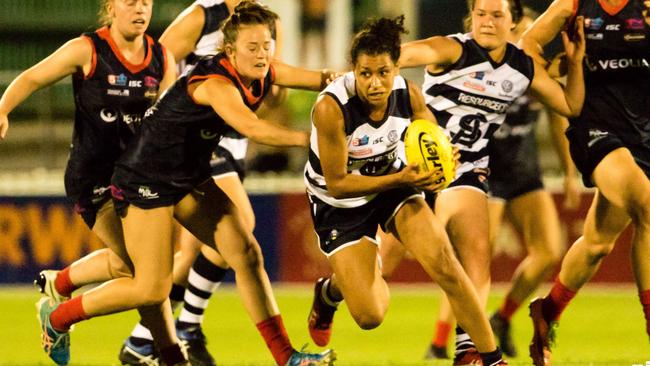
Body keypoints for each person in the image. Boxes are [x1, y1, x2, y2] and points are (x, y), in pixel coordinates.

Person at [38, 2, 338, 366]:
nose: (262, 54)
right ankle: (58, 320)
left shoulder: (261, 70)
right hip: (145, 179)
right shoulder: (215, 84)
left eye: (267, 45)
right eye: (252, 47)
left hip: (187, 176)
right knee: (150, 287)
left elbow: (312, 76)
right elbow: (253, 128)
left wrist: (347, 81)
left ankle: (287, 358)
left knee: (245, 252)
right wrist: (311, 139)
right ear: (230, 50)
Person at [368, 0, 586, 363]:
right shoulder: (451, 48)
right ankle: (330, 294)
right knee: (377, 277)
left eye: (497, 15)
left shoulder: (521, 68)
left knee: (476, 257)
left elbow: (569, 105)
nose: (487, 22)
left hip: (466, 170)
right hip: (413, 168)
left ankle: (466, 350)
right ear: (471, 17)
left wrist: (575, 62)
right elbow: (395, 59)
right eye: (481, 14)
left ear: (513, 22)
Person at [304, 15, 508, 366]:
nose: (375, 83)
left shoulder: (407, 93)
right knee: (371, 315)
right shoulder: (330, 108)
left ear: (396, 68)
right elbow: (337, 184)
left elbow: (428, 126)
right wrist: (402, 179)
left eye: (383, 72)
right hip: (340, 202)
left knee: (446, 263)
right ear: (353, 70)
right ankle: (329, 292)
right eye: (365, 73)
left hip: (394, 183)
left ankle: (491, 358)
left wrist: (443, 151)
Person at [0, 1, 184, 365]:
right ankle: (58, 318)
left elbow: (171, 122)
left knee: (140, 272)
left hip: (138, 179)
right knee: (147, 276)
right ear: (111, 7)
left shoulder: (163, 58)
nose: (139, 9)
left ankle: (63, 285)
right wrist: (3, 108)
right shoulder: (88, 49)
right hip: (94, 180)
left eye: (145, 2)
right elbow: (32, 78)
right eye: (130, 2)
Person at [119, 1, 285, 364]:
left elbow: (273, 90)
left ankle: (142, 340)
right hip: (200, 138)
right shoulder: (202, 14)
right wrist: (165, 114)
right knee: (242, 226)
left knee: (191, 252)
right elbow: (157, 62)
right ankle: (187, 327)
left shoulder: (265, 22)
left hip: (233, 139)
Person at [518, 0, 650, 364]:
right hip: (597, 128)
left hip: (644, 133)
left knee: (597, 245)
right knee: (647, 205)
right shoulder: (572, 5)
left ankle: (548, 311)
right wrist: (556, 87)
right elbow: (526, 47)